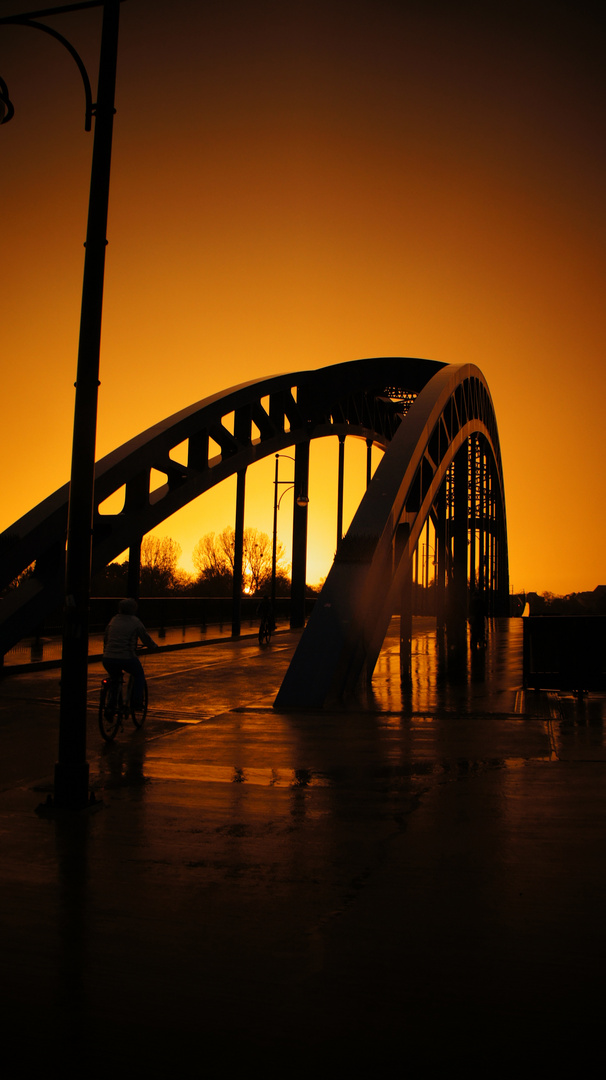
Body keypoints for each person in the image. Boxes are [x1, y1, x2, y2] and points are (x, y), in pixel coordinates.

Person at [103, 598, 158, 708]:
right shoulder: (135, 622)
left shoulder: (113, 620)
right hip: (126, 657)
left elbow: (106, 638)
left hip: (108, 657)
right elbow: (145, 638)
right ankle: (136, 702)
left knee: (115, 678)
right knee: (139, 674)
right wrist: (153, 647)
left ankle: (111, 705)